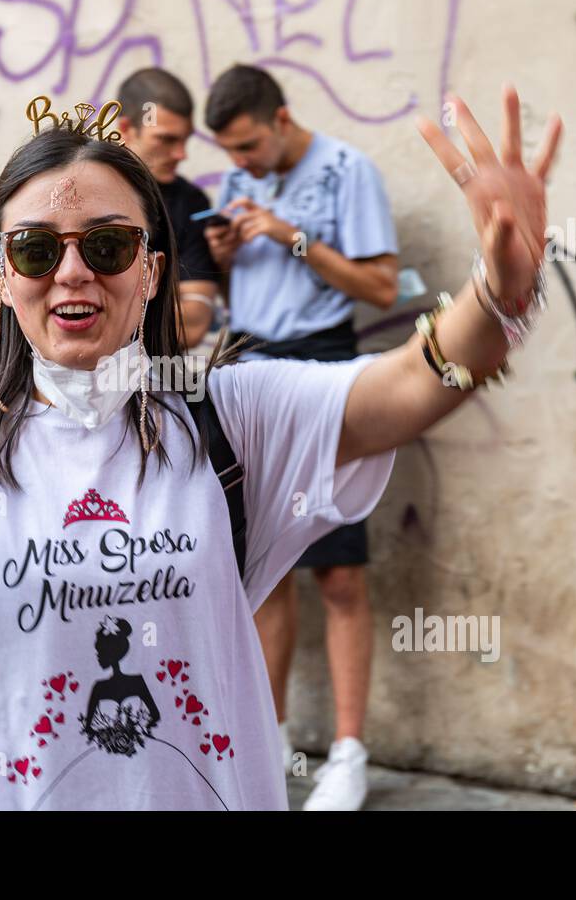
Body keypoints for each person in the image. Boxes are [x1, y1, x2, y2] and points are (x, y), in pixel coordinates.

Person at [0, 83, 561, 810]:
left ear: (152, 268)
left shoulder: (229, 416)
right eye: (37, 250)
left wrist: (499, 290)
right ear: (0, 274)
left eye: (108, 246)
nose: (73, 272)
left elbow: (413, 385)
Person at [204, 63, 402, 809]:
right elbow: (228, 292)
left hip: (324, 365)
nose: (240, 165)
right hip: (248, 363)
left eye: (249, 146)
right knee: (265, 572)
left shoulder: (349, 170)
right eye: (228, 151)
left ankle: (349, 754)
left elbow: (383, 287)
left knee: (341, 569)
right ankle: (272, 741)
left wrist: (288, 239)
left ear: (282, 119)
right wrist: (225, 261)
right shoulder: (234, 186)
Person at [116, 68, 222, 350]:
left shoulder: (190, 203)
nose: (181, 154)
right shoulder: (80, 188)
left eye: (185, 139)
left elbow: (195, 322)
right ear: (125, 129)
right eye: (166, 139)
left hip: (158, 382)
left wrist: (99, 324)